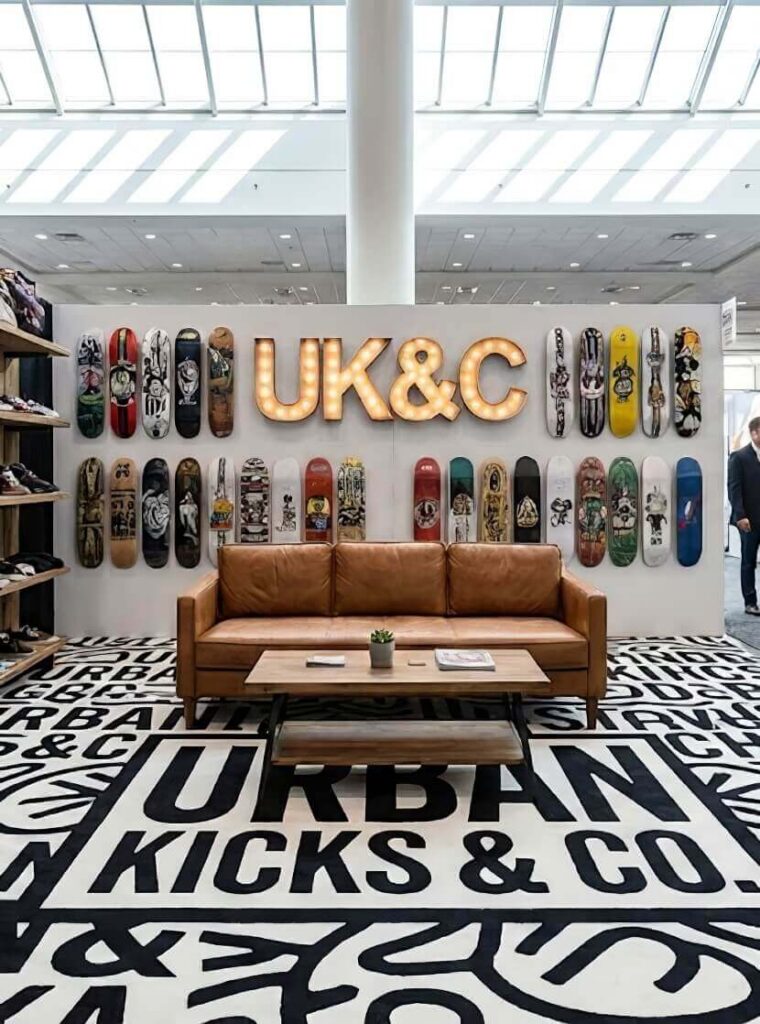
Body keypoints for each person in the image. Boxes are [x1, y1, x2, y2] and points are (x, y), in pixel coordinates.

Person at [727, 416, 760, 614]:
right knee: (748, 561)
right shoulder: (739, 457)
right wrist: (740, 516)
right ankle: (750, 602)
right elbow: (734, 488)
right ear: (754, 433)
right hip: (748, 520)